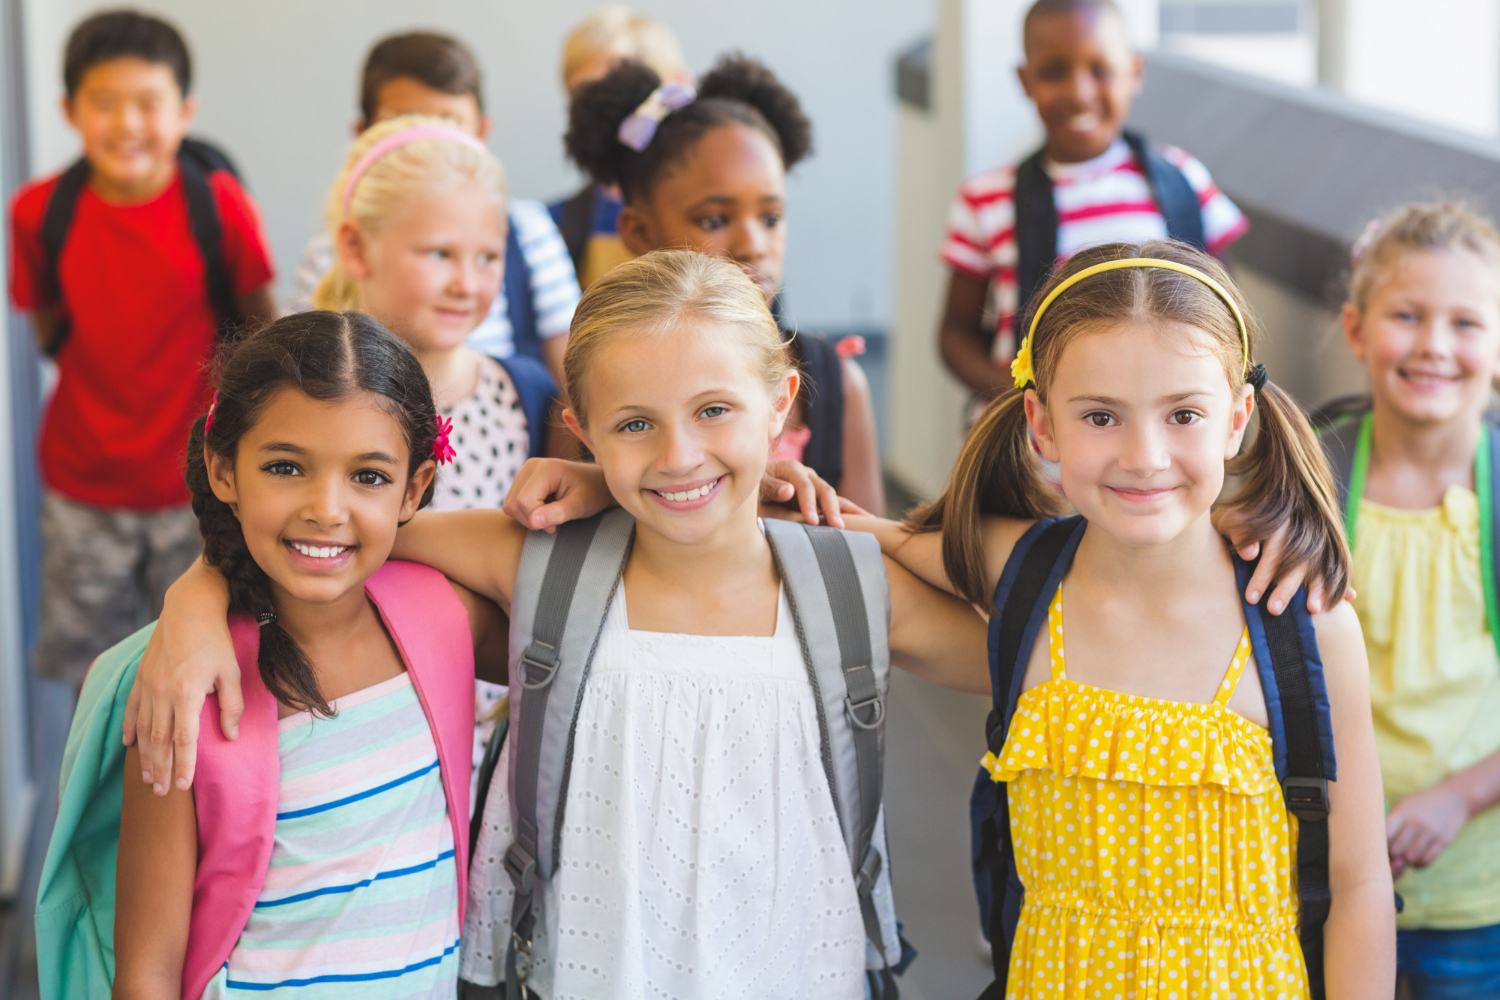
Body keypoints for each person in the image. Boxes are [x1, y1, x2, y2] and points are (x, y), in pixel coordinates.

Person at [125, 250, 992, 997]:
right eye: (635, 425)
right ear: (582, 432)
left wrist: (862, 527)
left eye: (715, 412)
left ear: (782, 406)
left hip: (804, 971)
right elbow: (335, 536)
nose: (679, 455)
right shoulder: (538, 557)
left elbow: (1037, 634)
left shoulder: (850, 584)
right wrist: (198, 590)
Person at [867, 242, 1394, 995]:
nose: (1144, 457)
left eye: (1184, 414)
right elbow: (871, 546)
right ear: (1042, 426)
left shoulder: (1304, 625)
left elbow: (1359, 886)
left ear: (1237, 418)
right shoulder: (1021, 576)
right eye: (1102, 417)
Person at [36, 312, 508, 999]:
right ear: (223, 469)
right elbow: (148, 973)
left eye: (369, 477)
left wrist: (582, 482)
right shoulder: (185, 687)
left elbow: (605, 598)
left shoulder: (448, 618)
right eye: (285, 467)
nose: (326, 508)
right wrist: (200, 592)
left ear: (416, 488)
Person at [6, 9, 275, 690]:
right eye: (104, 103)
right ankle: (98, 797)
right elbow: (49, 328)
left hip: (199, 486)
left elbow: (259, 333)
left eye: (148, 103)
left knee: (198, 663)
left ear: (183, 111)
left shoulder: (217, 206)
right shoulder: (39, 214)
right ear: (70, 110)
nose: (127, 123)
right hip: (82, 486)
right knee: (89, 675)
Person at [1314, 203, 1500, 998]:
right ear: (1357, 331)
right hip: (1316, 880)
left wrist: (1461, 796)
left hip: (1473, 902)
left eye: (1465, 323)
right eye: (1407, 316)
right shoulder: (1309, 484)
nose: (1432, 344)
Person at [565, 55, 886, 514]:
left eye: (771, 217)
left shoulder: (838, 385)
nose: (753, 244)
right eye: (715, 219)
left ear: (783, 401)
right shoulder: (599, 380)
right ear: (638, 232)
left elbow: (869, 559)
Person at [937, 0, 1247, 403]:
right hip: (1029, 448)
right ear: (1025, 79)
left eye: (1100, 70)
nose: (1079, 92)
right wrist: (1019, 399)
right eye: (1053, 72)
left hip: (1155, 434)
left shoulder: (1182, 178)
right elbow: (955, 333)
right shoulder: (986, 199)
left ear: (1135, 72)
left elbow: (1226, 310)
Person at [287, 31, 581, 385]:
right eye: (403, 121)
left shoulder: (529, 230)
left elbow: (568, 377)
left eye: (450, 123)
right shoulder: (327, 253)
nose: (428, 141)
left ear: (483, 129)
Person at [549, 6, 690, 288]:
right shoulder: (553, 227)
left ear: (677, 88)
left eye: (627, 93)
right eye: (587, 99)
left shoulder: (716, 209)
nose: (608, 114)